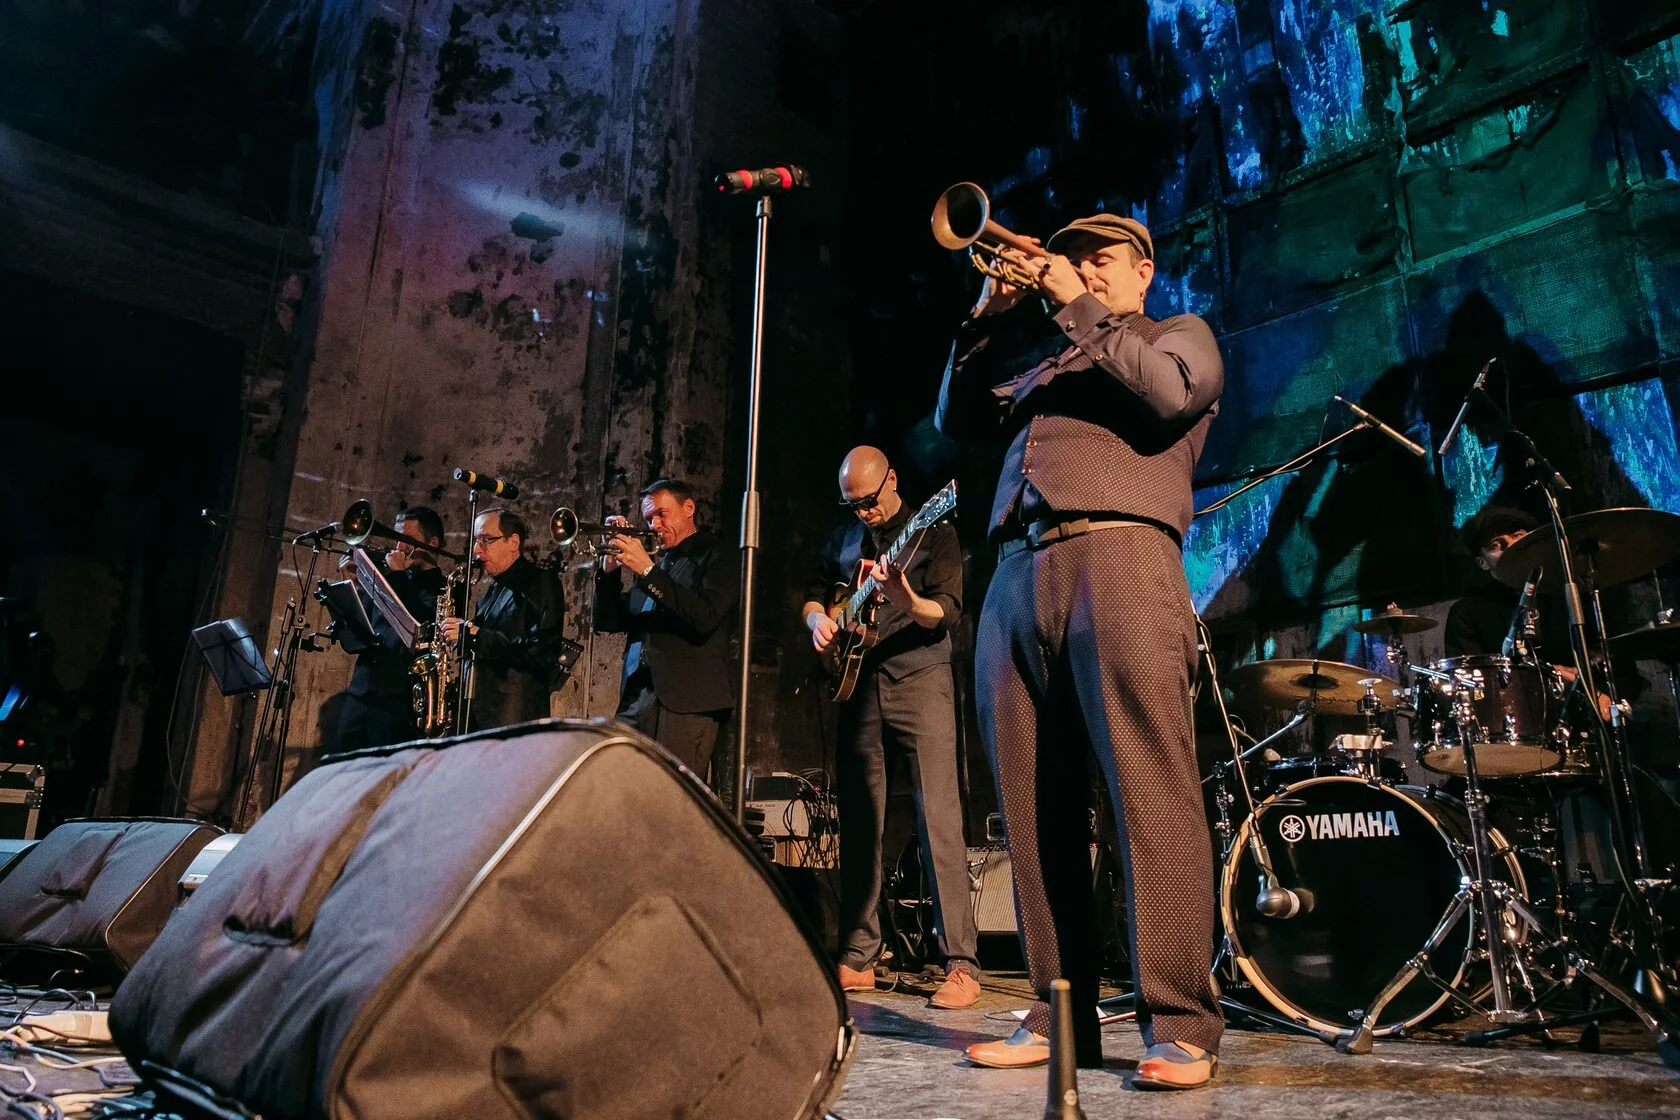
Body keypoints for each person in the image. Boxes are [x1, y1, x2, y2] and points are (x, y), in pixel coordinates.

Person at [935, 212, 1224, 1085]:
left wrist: (1076, 305)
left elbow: (1169, 396)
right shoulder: (1047, 362)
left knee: (1150, 790)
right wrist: (987, 316)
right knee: (1032, 808)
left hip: (1122, 557)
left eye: (1101, 260)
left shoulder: (1177, 336)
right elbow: (955, 417)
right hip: (1017, 574)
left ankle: (1180, 1021)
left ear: (1142, 272)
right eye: (1072, 261)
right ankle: (1058, 1013)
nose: (1084, 271)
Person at [800, 446, 981, 1011]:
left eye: (870, 501)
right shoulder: (846, 538)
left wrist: (907, 597)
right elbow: (812, 593)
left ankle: (961, 963)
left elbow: (945, 613)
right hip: (860, 686)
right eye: (853, 505)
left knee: (938, 819)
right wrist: (819, 619)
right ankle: (859, 955)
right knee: (859, 821)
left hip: (921, 679)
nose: (864, 513)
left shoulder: (934, 533)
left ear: (893, 480)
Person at [595, 478, 739, 784]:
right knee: (618, 787)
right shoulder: (660, 565)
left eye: (662, 514)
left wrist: (647, 570)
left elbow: (704, 617)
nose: (655, 525)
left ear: (688, 508)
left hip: (687, 701)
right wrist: (609, 571)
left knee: (672, 797)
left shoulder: (717, 554)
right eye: (649, 518)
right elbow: (608, 621)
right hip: (638, 696)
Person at [441, 508, 566, 730]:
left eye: (485, 540)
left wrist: (477, 635)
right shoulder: (491, 590)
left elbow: (544, 652)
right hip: (477, 713)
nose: (477, 550)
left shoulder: (540, 580)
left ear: (513, 542)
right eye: (476, 541)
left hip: (513, 716)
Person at [336, 506, 448, 749]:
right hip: (361, 691)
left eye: (406, 539)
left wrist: (397, 576)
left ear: (433, 543)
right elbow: (359, 631)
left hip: (397, 700)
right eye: (396, 538)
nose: (398, 547)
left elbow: (420, 627)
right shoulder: (388, 578)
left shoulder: (443, 588)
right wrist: (353, 586)